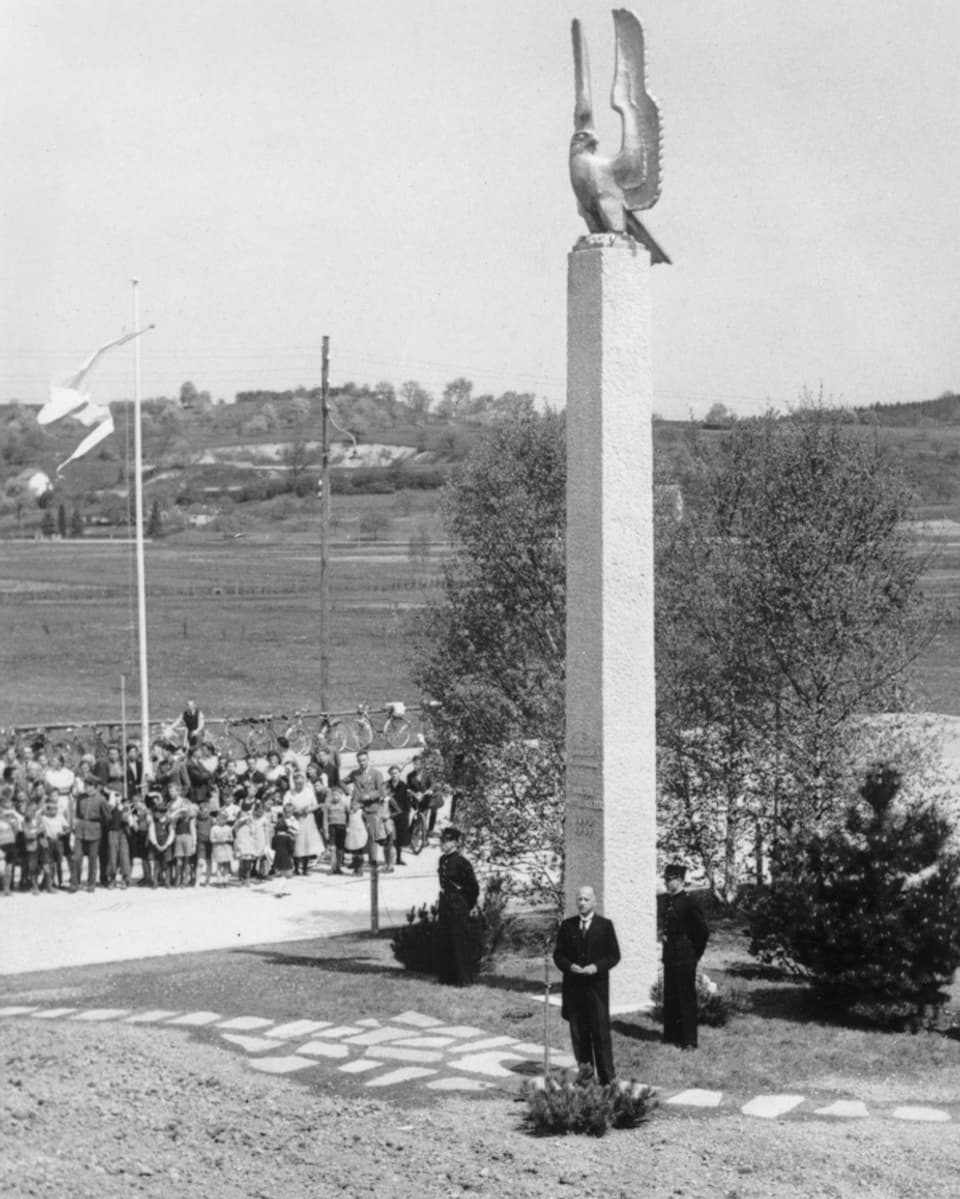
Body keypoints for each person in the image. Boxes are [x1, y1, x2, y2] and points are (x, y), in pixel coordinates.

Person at [553, 885, 621, 1085]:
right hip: (574, 990)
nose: (582, 903)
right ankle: (586, 1077)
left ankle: (608, 1078)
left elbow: (614, 956)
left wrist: (596, 967)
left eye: (586, 899)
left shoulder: (605, 926)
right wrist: (570, 966)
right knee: (579, 1035)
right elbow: (558, 955)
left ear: (594, 902)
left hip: (596, 989)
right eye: (579, 899)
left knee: (600, 1033)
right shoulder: (567, 926)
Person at [660, 862, 709, 1050]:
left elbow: (702, 931)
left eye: (669, 879)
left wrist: (695, 953)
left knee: (686, 997)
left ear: (679, 880)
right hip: (670, 955)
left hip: (685, 955)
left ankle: (689, 1040)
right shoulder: (667, 900)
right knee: (671, 995)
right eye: (665, 879)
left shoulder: (689, 902)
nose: (666, 882)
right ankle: (671, 1034)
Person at [435, 826, 480, 986]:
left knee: (459, 941)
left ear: (455, 843)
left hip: (458, 904)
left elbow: (473, 887)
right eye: (442, 841)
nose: (443, 844)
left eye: (446, 841)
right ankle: (447, 977)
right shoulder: (442, 860)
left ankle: (464, 978)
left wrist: (467, 904)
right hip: (446, 902)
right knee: (445, 939)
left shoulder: (462, 862)